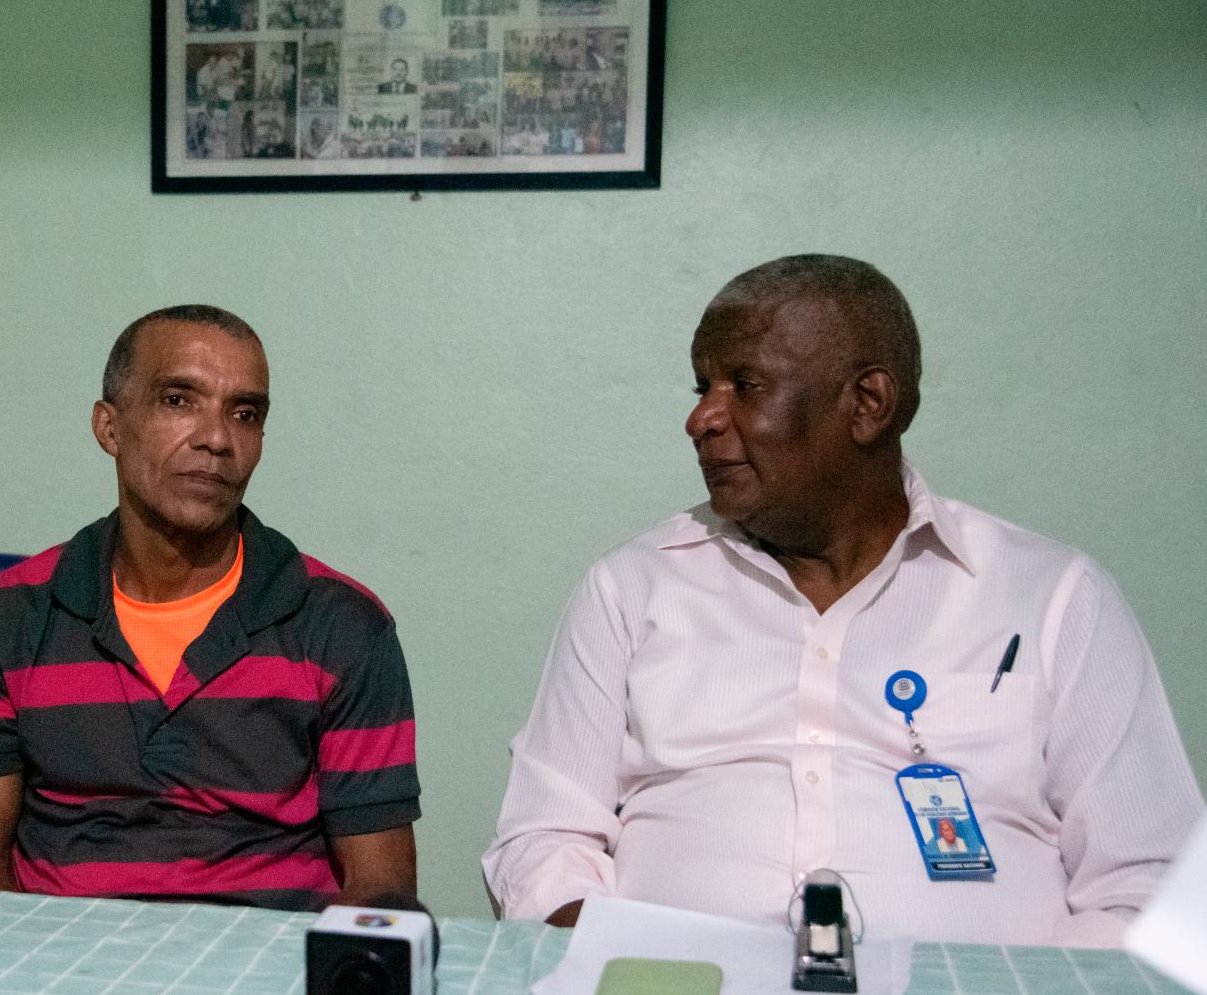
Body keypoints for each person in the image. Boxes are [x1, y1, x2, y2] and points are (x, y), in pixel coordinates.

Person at [483, 255, 1202, 948]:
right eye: (702, 385)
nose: (701, 417)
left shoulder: (1052, 597)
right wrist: (622, 964)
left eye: (744, 384)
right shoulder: (632, 588)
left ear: (867, 404)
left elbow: (1147, 880)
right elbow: (545, 837)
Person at [0, 306, 421, 910]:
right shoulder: (9, 615)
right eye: (178, 401)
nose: (217, 439)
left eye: (245, 414)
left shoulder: (342, 624)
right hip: (62, 969)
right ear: (109, 428)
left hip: (268, 970)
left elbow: (381, 883)